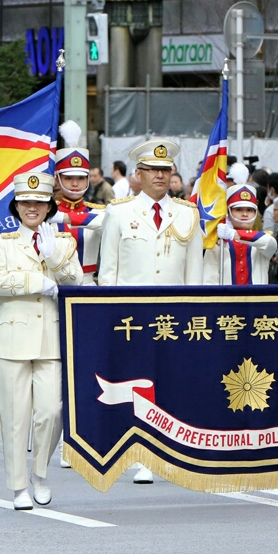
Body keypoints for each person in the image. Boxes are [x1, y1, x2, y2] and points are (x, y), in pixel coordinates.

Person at [97, 137, 203, 483]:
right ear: (138, 175)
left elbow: (195, 276)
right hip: (132, 316)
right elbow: (108, 272)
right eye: (152, 169)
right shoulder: (118, 212)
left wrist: (195, 318)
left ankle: (162, 451)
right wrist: (107, 317)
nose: (160, 175)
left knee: (170, 382)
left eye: (165, 169)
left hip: (174, 315)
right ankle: (138, 449)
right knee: (136, 382)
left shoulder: (187, 213)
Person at [0, 172, 83, 509]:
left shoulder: (63, 242)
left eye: (39, 202)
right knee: (14, 418)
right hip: (12, 338)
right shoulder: (3, 242)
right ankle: (17, 487)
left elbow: (76, 281)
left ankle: (40, 473)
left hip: (52, 338)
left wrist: (53, 255)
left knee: (51, 411)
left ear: (48, 206)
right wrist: (35, 282)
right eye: (26, 202)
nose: (32, 208)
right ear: (16, 205)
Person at [204, 164, 276, 285]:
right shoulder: (218, 244)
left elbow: (271, 244)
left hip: (256, 301)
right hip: (226, 302)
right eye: (238, 210)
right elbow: (209, 279)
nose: (244, 214)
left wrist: (234, 234)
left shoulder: (261, 241)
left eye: (249, 210)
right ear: (228, 212)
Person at [52, 120, 105, 284]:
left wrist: (64, 218)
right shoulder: (46, 213)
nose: (75, 184)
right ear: (57, 179)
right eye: (68, 178)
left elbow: (106, 221)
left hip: (88, 283)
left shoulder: (98, 212)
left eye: (81, 178)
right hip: (54, 283)